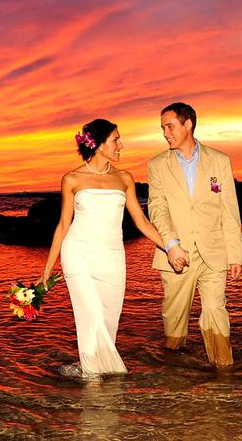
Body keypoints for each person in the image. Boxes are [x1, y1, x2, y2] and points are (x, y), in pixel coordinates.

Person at [38, 119, 168, 377]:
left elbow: (141, 221)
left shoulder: (125, 178)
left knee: (108, 320)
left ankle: (89, 368)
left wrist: (170, 247)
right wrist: (46, 270)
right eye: (116, 140)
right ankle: (93, 377)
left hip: (113, 258)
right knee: (93, 316)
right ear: (98, 144)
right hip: (78, 255)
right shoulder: (72, 179)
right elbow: (63, 225)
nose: (121, 145)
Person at [147, 102, 242, 367]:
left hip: (214, 252)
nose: (165, 133)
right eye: (162, 128)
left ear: (188, 124)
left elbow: (229, 211)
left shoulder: (220, 161)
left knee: (215, 310)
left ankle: (223, 370)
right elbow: (157, 209)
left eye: (170, 126)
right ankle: (173, 370)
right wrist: (171, 245)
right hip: (176, 255)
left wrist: (235, 255)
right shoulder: (157, 165)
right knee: (175, 319)